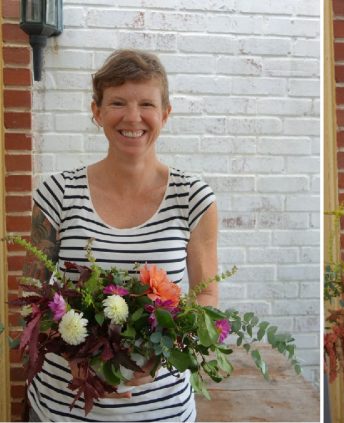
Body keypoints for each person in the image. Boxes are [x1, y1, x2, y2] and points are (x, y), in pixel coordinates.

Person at [23, 49, 218, 422]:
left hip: (161, 411)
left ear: (166, 113)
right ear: (96, 111)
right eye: (117, 103)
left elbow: (206, 294)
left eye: (147, 103)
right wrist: (72, 351)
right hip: (62, 407)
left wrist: (163, 350)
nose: (133, 117)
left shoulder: (193, 198)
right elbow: (31, 295)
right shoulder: (57, 194)